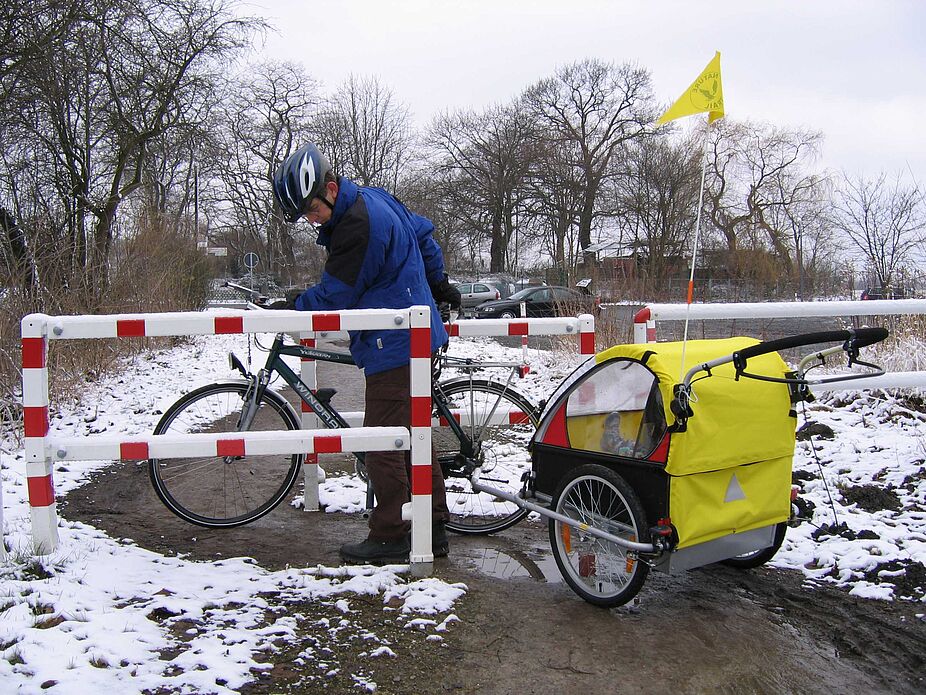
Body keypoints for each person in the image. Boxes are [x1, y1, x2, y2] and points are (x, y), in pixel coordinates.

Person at [270, 143, 461, 565]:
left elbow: (338, 294)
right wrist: (438, 282)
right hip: (414, 336)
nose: (310, 219)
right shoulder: (377, 197)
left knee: (382, 441)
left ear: (331, 190)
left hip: (393, 346)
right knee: (414, 436)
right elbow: (423, 234)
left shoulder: (355, 226)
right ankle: (434, 524)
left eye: (312, 210)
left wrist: (294, 306)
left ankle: (391, 532)